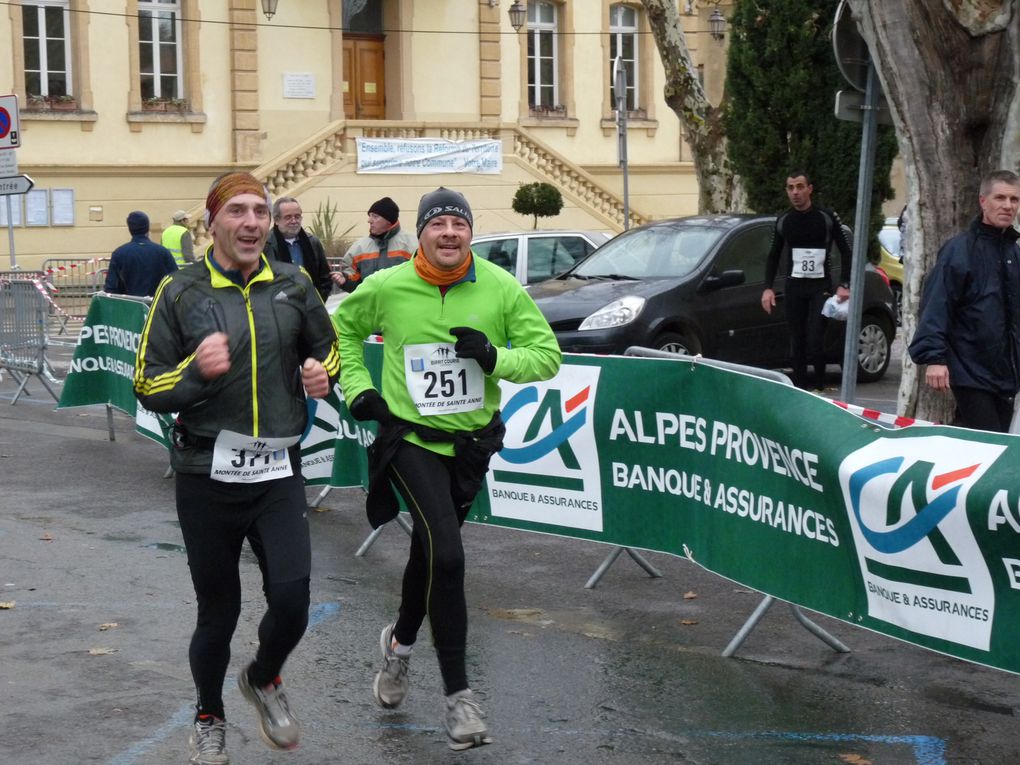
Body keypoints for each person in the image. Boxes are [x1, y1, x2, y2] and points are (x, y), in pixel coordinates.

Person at [332, 187, 561, 750]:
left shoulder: (501, 287)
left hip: (469, 448)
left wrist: (493, 357)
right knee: (450, 558)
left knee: (428, 556)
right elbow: (341, 329)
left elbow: (546, 355)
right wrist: (357, 390)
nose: (450, 234)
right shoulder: (387, 285)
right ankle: (460, 700)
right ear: (422, 233)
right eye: (440, 226)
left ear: (469, 233)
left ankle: (398, 650)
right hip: (408, 439)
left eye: (459, 224)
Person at [133, 172, 341, 765]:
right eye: (239, 212)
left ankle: (264, 676)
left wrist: (324, 374)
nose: (252, 223)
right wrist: (196, 371)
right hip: (206, 471)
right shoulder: (179, 292)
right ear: (213, 221)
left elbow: (328, 349)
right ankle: (208, 716)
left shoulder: (295, 284)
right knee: (218, 611)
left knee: (293, 600)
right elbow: (147, 384)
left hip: (276, 468)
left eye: (261, 212)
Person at [908, 169, 1020, 432]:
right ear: (983, 201)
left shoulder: (1014, 253)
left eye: (1014, 200)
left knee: (987, 443)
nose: (1007, 206)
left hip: (1005, 373)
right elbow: (937, 304)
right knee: (990, 443)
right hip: (969, 370)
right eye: (1000, 198)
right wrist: (934, 358)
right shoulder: (959, 250)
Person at [761, 171, 852, 391]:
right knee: (797, 341)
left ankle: (819, 386)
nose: (795, 192)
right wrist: (767, 288)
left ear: (809, 189)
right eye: (791, 188)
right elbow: (773, 255)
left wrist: (844, 284)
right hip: (794, 287)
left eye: (800, 187)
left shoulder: (826, 217)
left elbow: (847, 251)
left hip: (819, 287)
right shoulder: (784, 220)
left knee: (814, 340)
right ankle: (800, 389)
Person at [332, 196, 417, 292]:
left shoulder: (413, 244)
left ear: (389, 220)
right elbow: (354, 280)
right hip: (369, 305)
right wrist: (345, 280)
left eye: (375, 216)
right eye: (370, 216)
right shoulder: (359, 247)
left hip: (402, 304)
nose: (369, 220)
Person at [263, 196, 333, 302]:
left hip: (310, 309)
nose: (294, 221)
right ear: (276, 220)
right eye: (288, 217)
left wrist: (317, 303)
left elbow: (325, 278)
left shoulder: (313, 242)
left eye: (297, 216)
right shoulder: (265, 245)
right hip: (278, 310)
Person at [103, 211, 178, 297]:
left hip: (130, 306)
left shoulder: (119, 253)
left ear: (130, 229)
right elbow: (175, 281)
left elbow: (111, 288)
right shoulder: (162, 252)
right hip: (157, 306)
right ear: (147, 227)